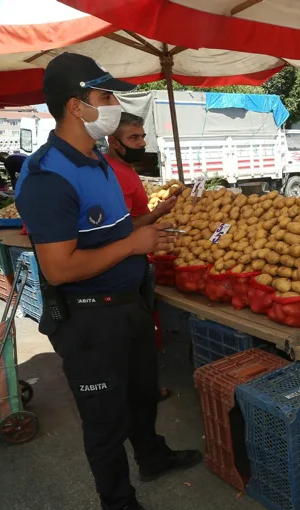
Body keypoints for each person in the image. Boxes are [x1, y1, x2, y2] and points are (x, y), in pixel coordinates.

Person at [14, 52, 201, 510]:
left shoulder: (97, 161)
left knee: (142, 396)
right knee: (104, 419)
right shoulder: (48, 176)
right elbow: (58, 268)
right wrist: (133, 247)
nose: (115, 106)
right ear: (76, 106)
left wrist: (149, 227)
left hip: (127, 306)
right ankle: (118, 503)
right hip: (89, 320)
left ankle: (153, 457)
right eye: (105, 96)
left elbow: (113, 231)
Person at [104, 112, 175, 402]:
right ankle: (140, 392)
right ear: (114, 141)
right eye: (133, 138)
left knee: (139, 331)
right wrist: (159, 213)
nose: (141, 143)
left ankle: (141, 388)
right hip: (124, 266)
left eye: (143, 136)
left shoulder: (123, 167)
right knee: (133, 336)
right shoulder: (114, 173)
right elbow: (121, 229)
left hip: (134, 263)